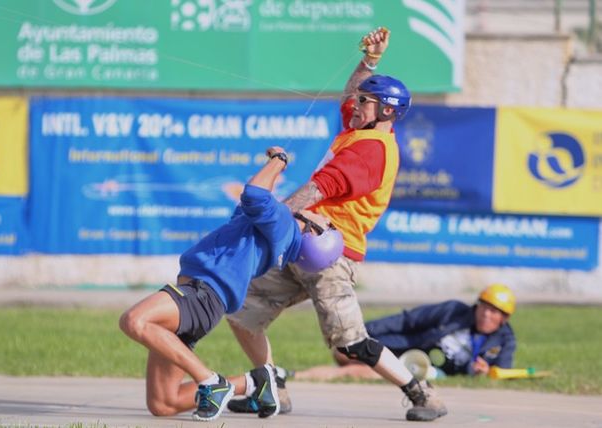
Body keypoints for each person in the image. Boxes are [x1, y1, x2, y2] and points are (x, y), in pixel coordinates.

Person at [226, 27, 447, 422]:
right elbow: (350, 93)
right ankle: (272, 389)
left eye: (367, 101)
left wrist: (265, 213)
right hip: (303, 243)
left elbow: (316, 190)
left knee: (351, 344)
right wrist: (371, 61)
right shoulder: (358, 129)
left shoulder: (371, 152)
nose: (356, 104)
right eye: (361, 99)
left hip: (332, 256)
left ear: (388, 112)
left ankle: (422, 394)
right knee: (242, 311)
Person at [118, 146, 342, 422]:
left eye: (329, 224)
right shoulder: (277, 234)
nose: (325, 215)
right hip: (205, 301)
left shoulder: (286, 225)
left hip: (200, 293)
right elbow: (249, 205)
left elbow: (255, 194)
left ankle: (211, 381)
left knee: (134, 321)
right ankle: (253, 383)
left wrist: (279, 161)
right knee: (163, 403)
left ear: (314, 233)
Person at [295, 284, 517, 381]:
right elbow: (408, 320)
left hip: (426, 371)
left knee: (358, 372)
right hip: (407, 347)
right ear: (477, 305)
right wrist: (362, 331)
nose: (487, 315)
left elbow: (503, 371)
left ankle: (299, 376)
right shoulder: (454, 311)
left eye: (495, 312)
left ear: (504, 318)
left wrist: (484, 371)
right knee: (344, 351)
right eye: (485, 307)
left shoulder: (504, 340)